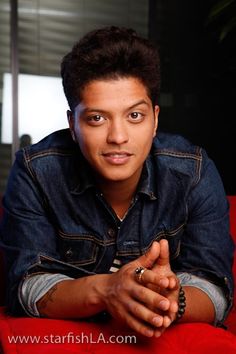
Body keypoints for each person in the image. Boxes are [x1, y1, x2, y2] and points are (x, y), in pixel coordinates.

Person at [0, 26, 234, 338]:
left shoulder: (194, 172)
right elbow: (27, 286)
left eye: (135, 116)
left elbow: (215, 289)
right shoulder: (36, 171)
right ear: (73, 124)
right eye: (97, 118)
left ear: (155, 119)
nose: (118, 137)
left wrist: (167, 299)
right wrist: (108, 290)